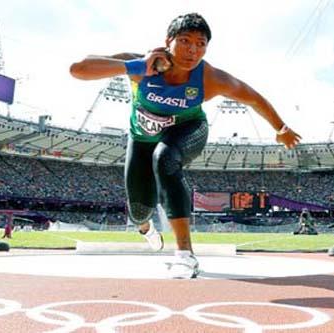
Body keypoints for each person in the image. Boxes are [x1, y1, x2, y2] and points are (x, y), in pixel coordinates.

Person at [70, 13, 301, 278]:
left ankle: (184, 255)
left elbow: (254, 98)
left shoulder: (210, 78)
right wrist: (137, 67)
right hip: (141, 139)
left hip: (188, 130)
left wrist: (281, 129)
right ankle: (144, 228)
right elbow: (78, 69)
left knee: (165, 158)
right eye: (184, 41)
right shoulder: (142, 63)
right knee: (138, 210)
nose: (192, 50)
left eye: (200, 43)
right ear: (168, 41)